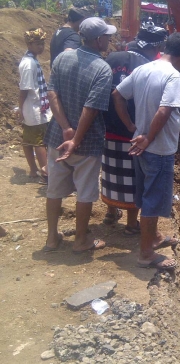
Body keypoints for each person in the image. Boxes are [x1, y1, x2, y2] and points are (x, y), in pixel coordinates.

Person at [113, 32, 180, 270]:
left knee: (145, 193)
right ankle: (146, 254)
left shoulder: (143, 69)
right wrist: (148, 136)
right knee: (152, 200)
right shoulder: (173, 75)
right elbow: (164, 110)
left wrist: (131, 126)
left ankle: (155, 237)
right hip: (158, 149)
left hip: (141, 145)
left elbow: (117, 95)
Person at [44, 17, 116, 254]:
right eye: (107, 36)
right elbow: (91, 108)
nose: (109, 39)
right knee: (85, 192)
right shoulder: (102, 69)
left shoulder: (62, 57)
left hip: (57, 137)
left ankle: (52, 238)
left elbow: (52, 93)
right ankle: (80, 241)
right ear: (98, 40)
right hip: (86, 144)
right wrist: (75, 139)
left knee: (53, 190)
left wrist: (65, 128)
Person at [101, 26, 168, 235]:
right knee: (133, 179)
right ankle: (131, 224)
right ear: (157, 46)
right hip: (134, 133)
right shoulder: (148, 66)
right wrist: (134, 126)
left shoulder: (112, 58)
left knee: (110, 172)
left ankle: (111, 213)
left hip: (108, 127)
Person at [18, 28, 52, 183]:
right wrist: (20, 109)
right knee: (39, 142)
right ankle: (46, 174)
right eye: (38, 44)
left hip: (36, 106)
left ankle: (33, 170)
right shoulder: (29, 64)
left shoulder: (32, 60)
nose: (41, 47)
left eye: (42, 43)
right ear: (29, 44)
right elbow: (24, 90)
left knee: (28, 139)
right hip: (33, 108)